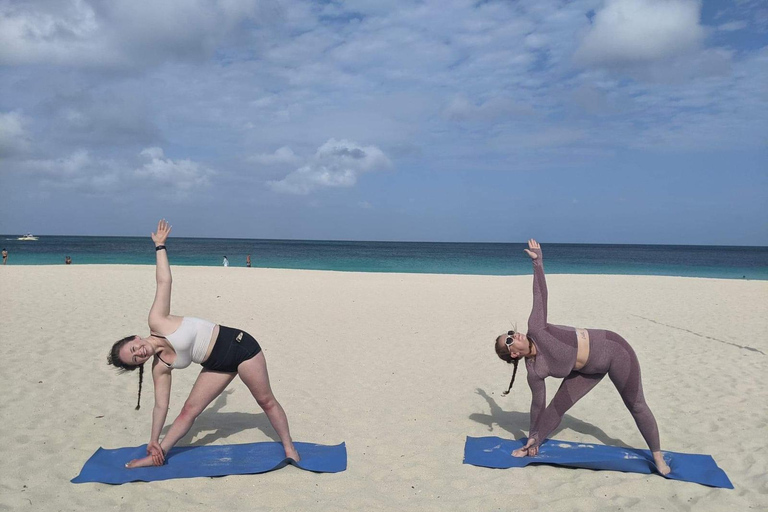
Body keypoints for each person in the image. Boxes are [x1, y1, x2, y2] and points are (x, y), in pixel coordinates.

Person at [107, 220, 299, 468]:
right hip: (217, 364)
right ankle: (157, 455)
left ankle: (289, 448)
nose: (139, 352)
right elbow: (160, 405)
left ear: (136, 338)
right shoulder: (161, 367)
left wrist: (160, 247)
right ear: (140, 363)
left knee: (265, 401)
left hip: (241, 347)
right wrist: (153, 439)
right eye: (135, 359)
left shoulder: (157, 320)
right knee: (189, 411)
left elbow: (164, 282)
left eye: (134, 348)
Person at [494, 239, 670, 475]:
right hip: (586, 371)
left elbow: (540, 296)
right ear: (513, 353)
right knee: (556, 408)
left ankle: (657, 456)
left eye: (509, 333)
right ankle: (532, 445)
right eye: (508, 340)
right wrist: (533, 437)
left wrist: (538, 263)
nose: (513, 335)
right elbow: (538, 406)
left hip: (614, 350)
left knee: (636, 405)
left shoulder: (536, 328)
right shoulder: (534, 371)